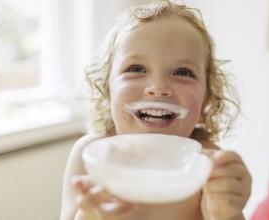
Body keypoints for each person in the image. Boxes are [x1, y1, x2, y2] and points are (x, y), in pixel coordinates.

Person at [60, 1, 252, 219]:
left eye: (183, 72)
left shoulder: (207, 164)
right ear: (107, 90)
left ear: (207, 97)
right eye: (136, 69)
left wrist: (228, 212)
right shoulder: (91, 155)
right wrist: (91, 213)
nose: (159, 88)